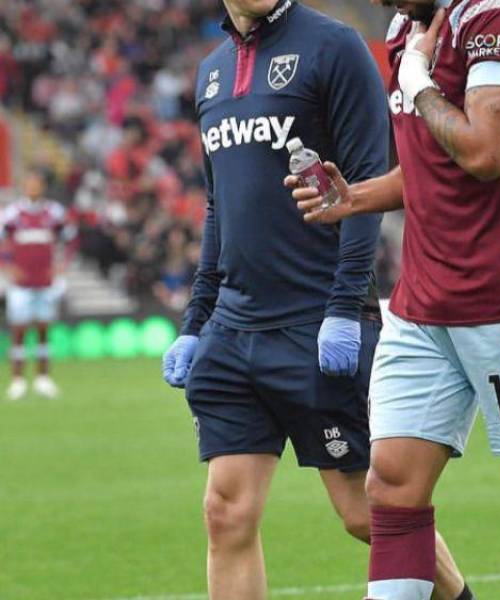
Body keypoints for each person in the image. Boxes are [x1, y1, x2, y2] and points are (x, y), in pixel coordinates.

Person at [289, 1, 500, 598]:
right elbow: (430, 165)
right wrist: (356, 198)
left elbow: (484, 153)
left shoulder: (497, 16)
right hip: (421, 302)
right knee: (391, 485)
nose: (382, 4)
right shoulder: (407, 28)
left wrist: (418, 83)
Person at [160, 2, 471, 599]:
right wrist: (196, 320)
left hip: (317, 320)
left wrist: (345, 306)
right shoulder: (211, 72)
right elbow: (218, 206)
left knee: (366, 514)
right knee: (226, 513)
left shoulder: (335, 47)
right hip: (233, 325)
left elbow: (364, 180)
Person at [2, 168, 74, 400]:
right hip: (21, 282)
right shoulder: (13, 214)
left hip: (45, 281)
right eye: (29, 183)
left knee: (43, 329)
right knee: (19, 331)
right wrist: (7, 266)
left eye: (37, 183)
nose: (33, 187)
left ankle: (43, 379)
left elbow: (70, 238)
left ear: (42, 186)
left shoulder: (53, 212)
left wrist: (62, 265)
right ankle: (18, 380)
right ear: (24, 186)